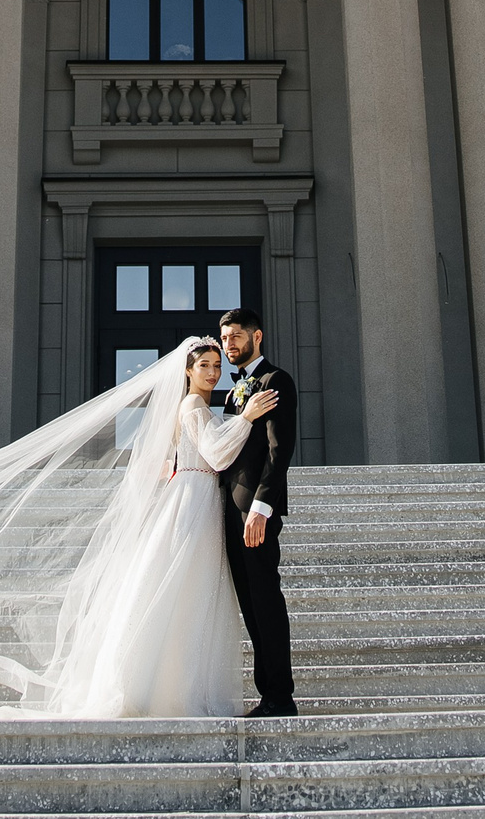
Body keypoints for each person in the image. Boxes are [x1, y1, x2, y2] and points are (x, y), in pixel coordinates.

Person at [0, 335, 282, 719]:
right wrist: (246, 419)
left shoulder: (200, 407)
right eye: (204, 365)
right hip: (192, 499)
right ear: (186, 371)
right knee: (181, 589)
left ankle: (178, 686)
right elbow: (217, 454)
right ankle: (165, 689)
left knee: (190, 594)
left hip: (197, 497)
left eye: (216, 365)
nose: (212, 371)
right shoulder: (191, 406)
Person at [216, 306, 296, 716]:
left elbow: (278, 451)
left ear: (256, 337)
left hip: (255, 513)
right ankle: (268, 694)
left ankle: (281, 697)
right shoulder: (234, 393)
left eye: (236, 337)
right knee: (250, 604)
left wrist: (261, 508)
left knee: (266, 600)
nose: (230, 345)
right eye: (225, 338)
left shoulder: (275, 380)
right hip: (230, 511)